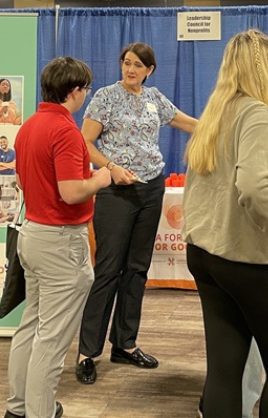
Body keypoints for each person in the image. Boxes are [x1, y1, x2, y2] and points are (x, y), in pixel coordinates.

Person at [182, 29, 268, 418]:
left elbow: (221, 183)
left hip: (206, 254)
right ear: (258, 67)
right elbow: (251, 186)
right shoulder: (256, 112)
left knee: (223, 370)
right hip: (248, 259)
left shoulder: (218, 110)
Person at [74, 42, 199, 385]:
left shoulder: (155, 98)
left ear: (149, 71)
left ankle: (125, 344)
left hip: (151, 189)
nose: (130, 69)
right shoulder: (104, 97)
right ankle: (87, 352)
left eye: (138, 65)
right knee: (109, 270)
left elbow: (188, 123)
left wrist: (223, 127)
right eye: (126, 63)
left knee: (138, 269)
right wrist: (111, 167)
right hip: (116, 191)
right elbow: (84, 143)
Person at [5, 56, 111, 418]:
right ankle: (40, 412)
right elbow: (70, 191)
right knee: (51, 341)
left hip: (33, 235)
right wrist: (101, 177)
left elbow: (22, 181)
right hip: (60, 241)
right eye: (86, 89)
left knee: (31, 327)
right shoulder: (65, 131)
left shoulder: (29, 126)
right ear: (75, 91)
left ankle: (19, 408)